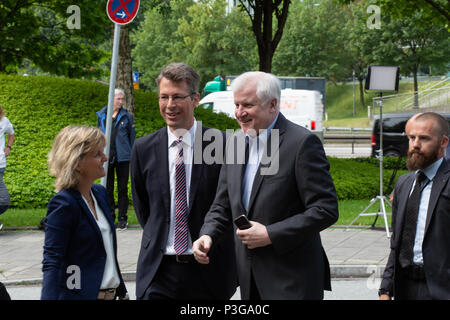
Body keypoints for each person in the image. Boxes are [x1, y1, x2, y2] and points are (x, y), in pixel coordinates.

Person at [193, 71, 339, 300]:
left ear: (272, 105)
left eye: (247, 105)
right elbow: (222, 205)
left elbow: (325, 209)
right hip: (248, 281)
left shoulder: (302, 143)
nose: (239, 113)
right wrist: (207, 234)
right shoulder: (235, 143)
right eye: (237, 104)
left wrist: (271, 234)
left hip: (293, 282)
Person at [130, 62, 237, 300]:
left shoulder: (222, 145)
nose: (169, 105)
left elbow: (228, 205)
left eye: (177, 97)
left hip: (208, 271)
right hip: (158, 271)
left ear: (196, 98)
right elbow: (144, 209)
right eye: (164, 97)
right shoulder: (143, 148)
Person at [41, 125, 128, 300]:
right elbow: (53, 261)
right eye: (97, 154)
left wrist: (121, 290)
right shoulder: (64, 204)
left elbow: (107, 252)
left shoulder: (99, 194)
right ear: (77, 163)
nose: (105, 157)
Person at [379, 112, 450, 300]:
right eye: (411, 137)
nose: (415, 145)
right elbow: (396, 243)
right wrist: (386, 288)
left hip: (441, 290)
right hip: (405, 287)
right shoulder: (404, 183)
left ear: (443, 142)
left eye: (424, 138)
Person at [97, 88, 136, 230]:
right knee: (107, 189)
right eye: (118, 99)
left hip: (123, 158)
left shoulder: (127, 116)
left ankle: (122, 219)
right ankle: (110, 217)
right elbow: (98, 135)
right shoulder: (102, 115)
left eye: (122, 99)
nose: (120, 102)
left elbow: (132, 137)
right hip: (106, 157)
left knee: (122, 188)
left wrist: (130, 154)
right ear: (111, 98)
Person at [0, 105, 14, 231]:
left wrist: (8, 147)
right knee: (4, 199)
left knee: (4, 201)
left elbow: (11, 133)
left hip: (0, 164)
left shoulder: (4, 121)